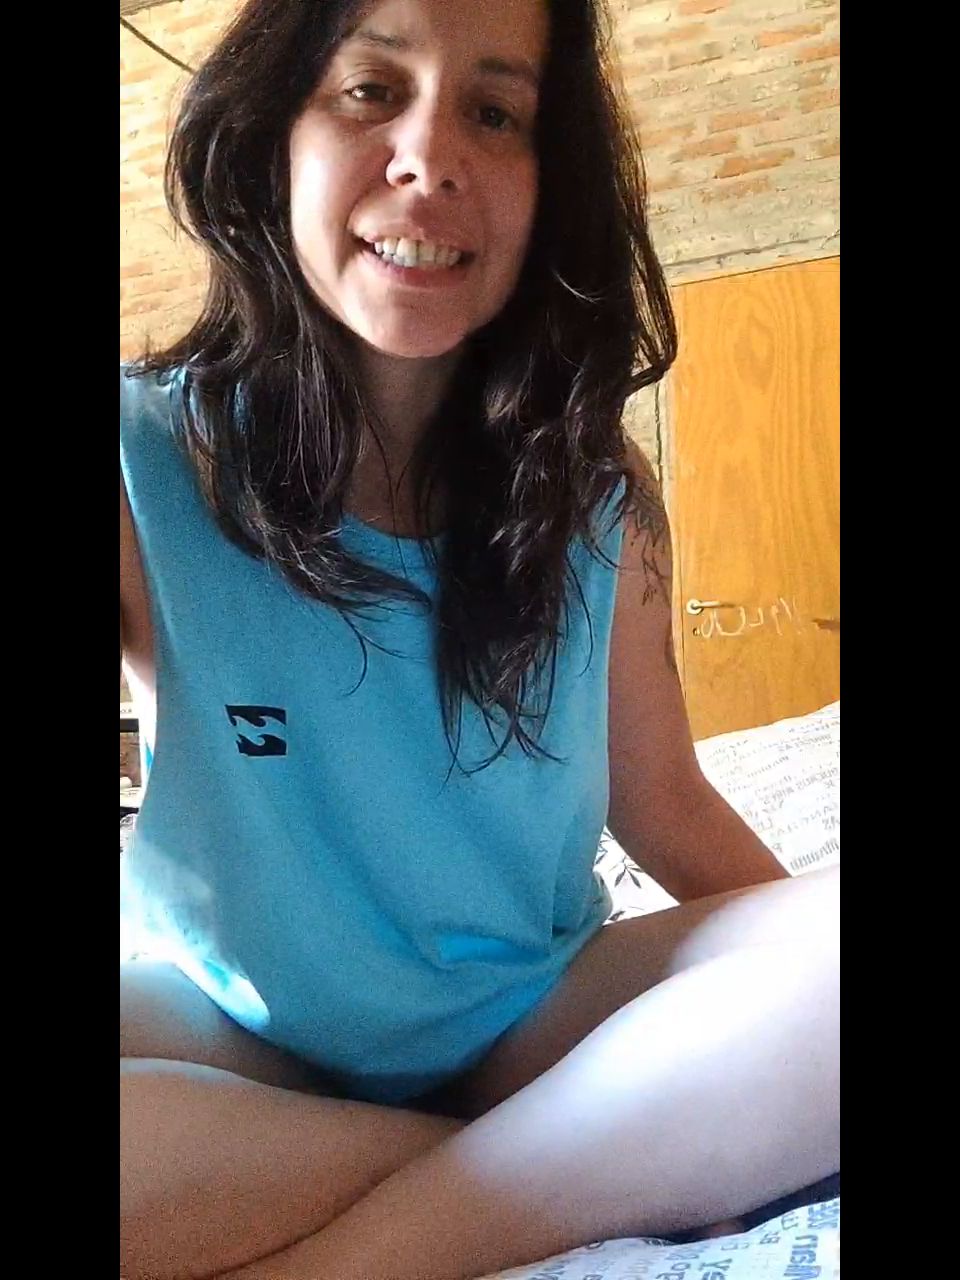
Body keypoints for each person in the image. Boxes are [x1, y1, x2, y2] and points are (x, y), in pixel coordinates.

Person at [119, 0, 840, 1275]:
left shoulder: (595, 495)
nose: (430, 158)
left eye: (496, 113)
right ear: (272, 137)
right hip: (237, 1039)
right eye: (369, 91)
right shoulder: (142, 457)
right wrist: (683, 1108)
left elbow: (666, 804)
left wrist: (788, 1006)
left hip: (531, 1018)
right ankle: (558, 1159)